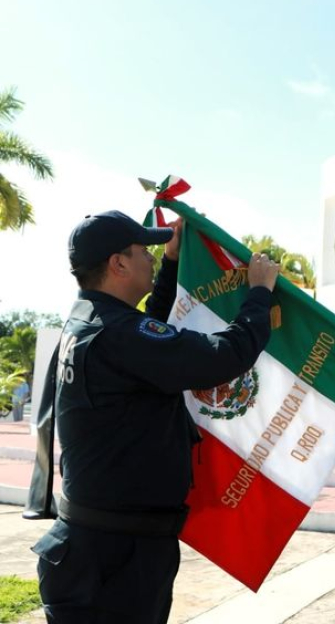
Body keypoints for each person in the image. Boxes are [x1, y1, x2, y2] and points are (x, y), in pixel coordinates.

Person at [30, 210, 280, 624]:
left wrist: (171, 264)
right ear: (119, 263)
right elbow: (223, 357)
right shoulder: (117, 334)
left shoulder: (89, 320)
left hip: (97, 548)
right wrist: (259, 293)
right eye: (144, 251)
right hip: (115, 561)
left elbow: (147, 333)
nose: (151, 256)